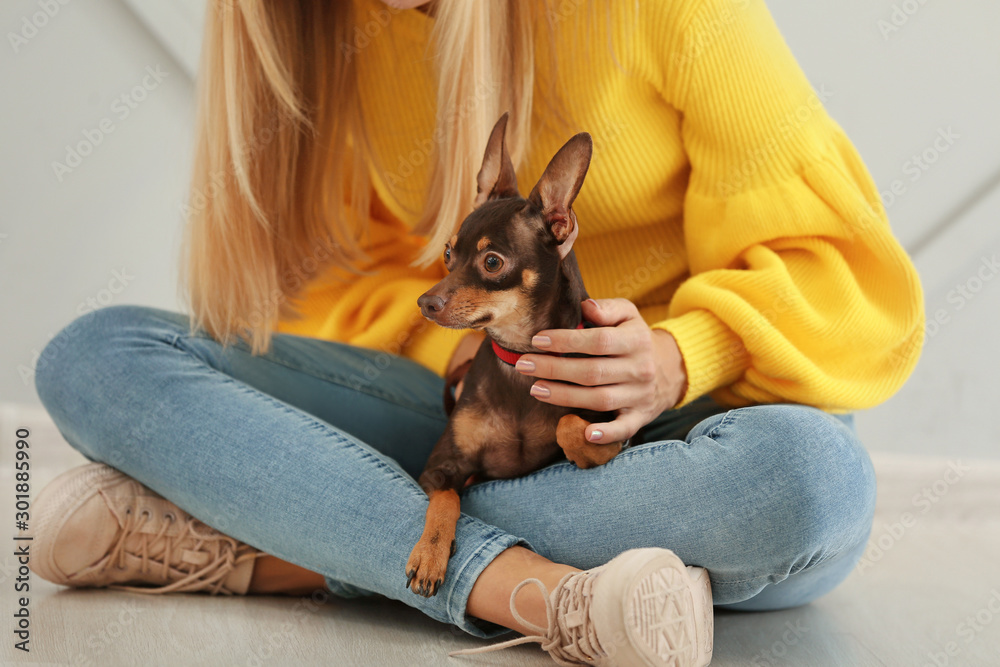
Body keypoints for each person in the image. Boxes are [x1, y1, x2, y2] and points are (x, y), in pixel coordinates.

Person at [30, 0, 924, 665]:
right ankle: (529, 592)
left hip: (682, 436)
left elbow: (847, 273)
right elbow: (352, 273)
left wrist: (679, 355)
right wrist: (461, 348)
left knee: (812, 480)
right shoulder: (330, 25)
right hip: (475, 407)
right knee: (95, 357)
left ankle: (296, 542)